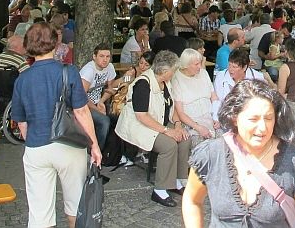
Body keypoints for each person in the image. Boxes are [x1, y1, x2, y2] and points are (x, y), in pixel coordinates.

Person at [182, 79, 295, 227]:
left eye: (268, 118)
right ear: (235, 118)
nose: (262, 128)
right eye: (253, 119)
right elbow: (192, 200)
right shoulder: (210, 155)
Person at [11, 22, 101, 228]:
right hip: (68, 144)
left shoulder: (22, 79)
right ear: (54, 42)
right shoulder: (68, 72)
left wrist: (33, 141)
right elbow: (81, 111)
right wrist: (94, 144)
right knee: (75, 206)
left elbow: (21, 122)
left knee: (40, 214)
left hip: (37, 146)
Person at [115, 50, 192, 207]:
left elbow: (172, 106)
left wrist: (177, 125)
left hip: (159, 121)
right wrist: (167, 131)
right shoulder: (143, 84)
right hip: (140, 125)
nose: (174, 73)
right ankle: (160, 190)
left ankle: (178, 180)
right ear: (164, 71)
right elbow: (141, 116)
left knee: (184, 138)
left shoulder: (165, 82)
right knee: (168, 145)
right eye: (173, 70)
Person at [170, 49, 219, 146]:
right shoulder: (176, 79)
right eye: (196, 64)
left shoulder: (204, 73)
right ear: (186, 65)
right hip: (192, 123)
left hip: (211, 118)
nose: (200, 67)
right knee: (204, 145)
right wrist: (198, 127)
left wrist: (216, 117)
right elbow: (180, 113)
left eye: (200, 63)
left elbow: (214, 98)